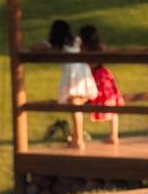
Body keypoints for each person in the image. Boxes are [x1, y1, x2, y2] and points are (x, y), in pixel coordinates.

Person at [31, 20, 97, 150]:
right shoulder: (76, 41)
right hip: (83, 72)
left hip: (72, 75)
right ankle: (77, 137)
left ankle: (78, 141)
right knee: (77, 108)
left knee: (75, 108)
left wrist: (50, 48)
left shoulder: (56, 44)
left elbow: (34, 48)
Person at [79, 25, 125, 144]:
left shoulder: (86, 50)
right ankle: (114, 136)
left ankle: (78, 135)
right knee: (112, 105)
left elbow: (91, 64)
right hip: (105, 75)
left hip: (97, 77)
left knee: (80, 103)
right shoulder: (100, 47)